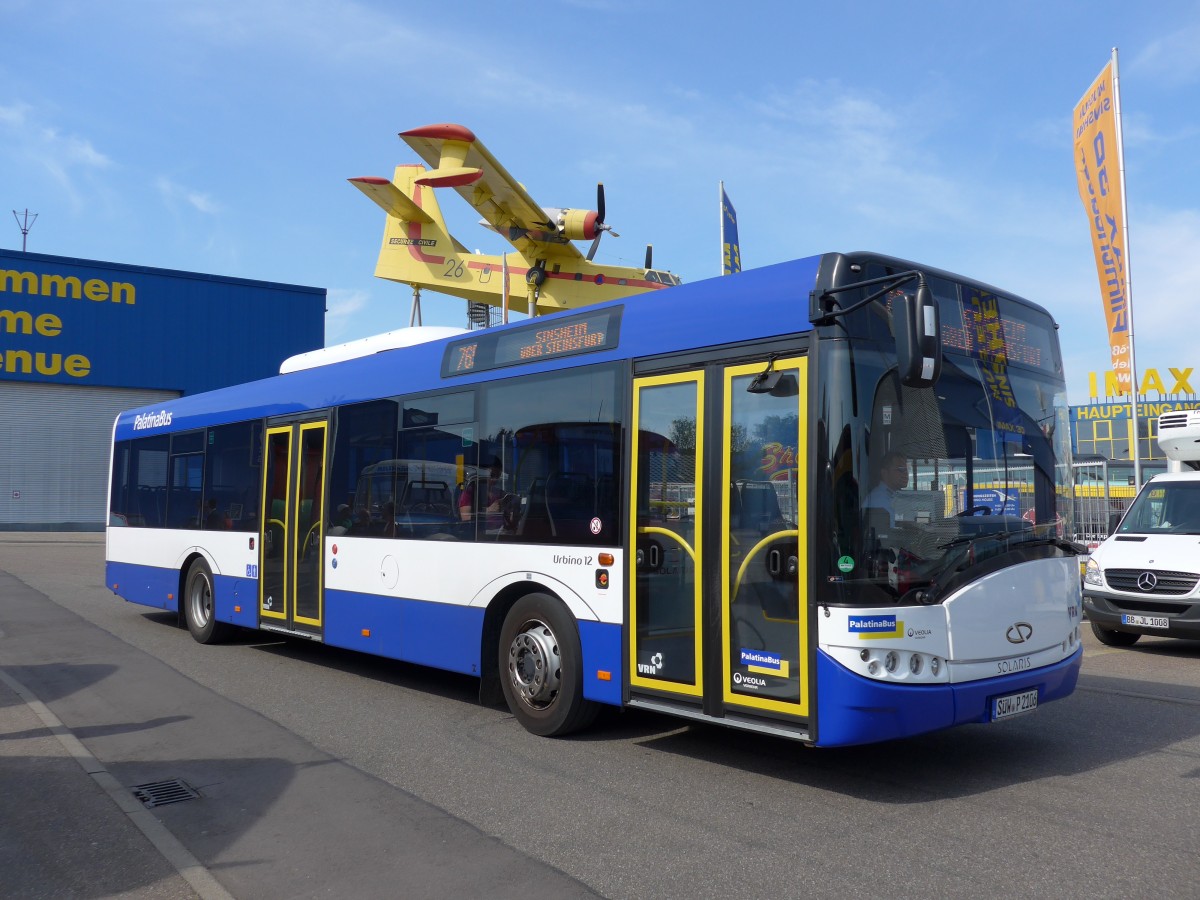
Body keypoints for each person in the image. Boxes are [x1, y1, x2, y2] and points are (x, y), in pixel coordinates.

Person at [864, 450, 908, 529]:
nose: (906, 473)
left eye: (906, 469)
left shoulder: (893, 497)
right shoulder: (879, 500)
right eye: (900, 469)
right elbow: (890, 537)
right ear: (884, 473)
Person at [459, 458, 506, 529]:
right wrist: (488, 511)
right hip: (480, 533)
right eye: (492, 475)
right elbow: (465, 517)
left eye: (498, 476)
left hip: (502, 531)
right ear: (483, 472)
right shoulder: (470, 492)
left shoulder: (501, 493)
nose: (495, 479)